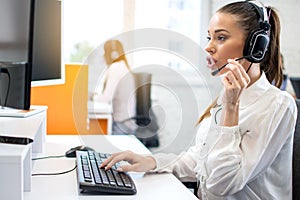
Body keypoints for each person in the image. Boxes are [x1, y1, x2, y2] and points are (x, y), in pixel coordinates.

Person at [101, 1, 297, 199]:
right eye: (209, 37)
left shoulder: (277, 105)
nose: (208, 47)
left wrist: (231, 109)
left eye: (221, 37)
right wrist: (151, 162)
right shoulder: (227, 96)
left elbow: (222, 184)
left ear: (256, 46)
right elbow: (200, 162)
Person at [91, 39, 137, 134]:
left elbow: (107, 97)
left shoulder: (115, 67)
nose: (104, 56)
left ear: (112, 54)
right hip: (129, 123)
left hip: (121, 125)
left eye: (105, 52)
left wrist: (93, 97)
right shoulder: (124, 66)